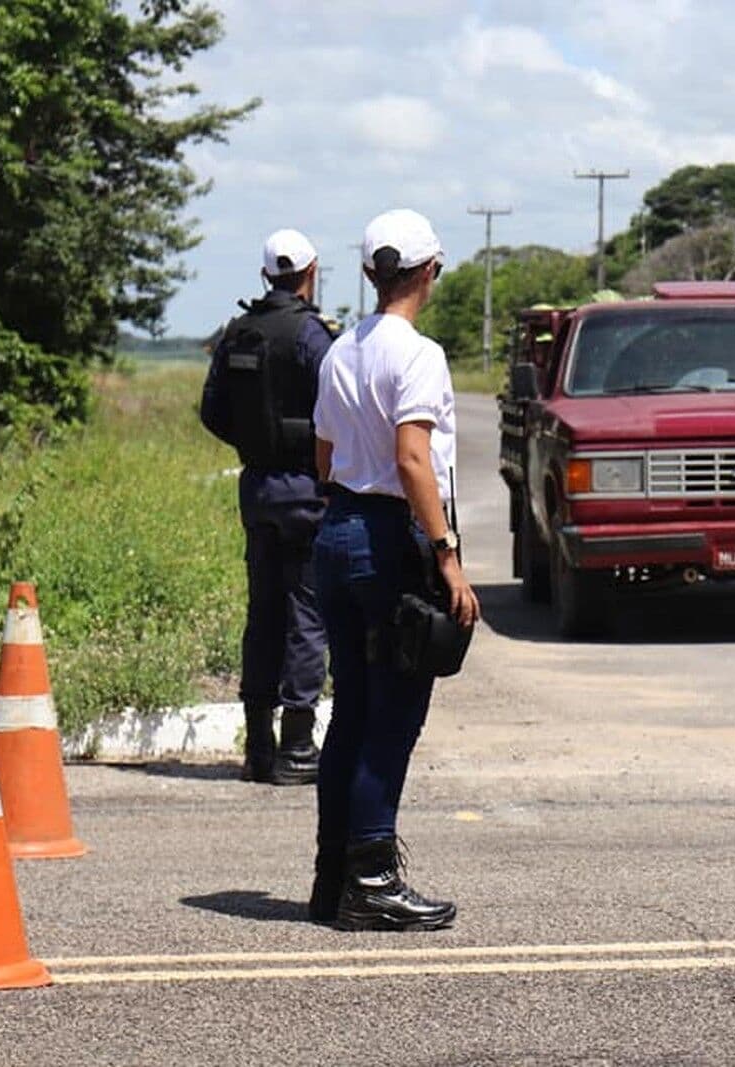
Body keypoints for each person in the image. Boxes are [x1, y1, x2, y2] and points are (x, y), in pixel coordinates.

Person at [309, 209, 479, 930]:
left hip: (337, 531)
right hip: (388, 540)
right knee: (396, 710)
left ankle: (332, 876)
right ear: (428, 272)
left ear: (372, 273)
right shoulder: (419, 354)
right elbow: (413, 458)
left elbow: (322, 458)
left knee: (349, 709)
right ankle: (373, 877)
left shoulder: (339, 350)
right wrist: (445, 555)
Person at [200, 229, 338, 785]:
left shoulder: (238, 334)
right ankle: (298, 750)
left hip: (257, 490)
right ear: (311, 272)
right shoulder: (312, 336)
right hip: (307, 490)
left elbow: (212, 412)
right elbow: (339, 408)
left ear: (265, 276)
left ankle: (257, 748)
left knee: (263, 613)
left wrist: (254, 444)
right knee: (307, 616)